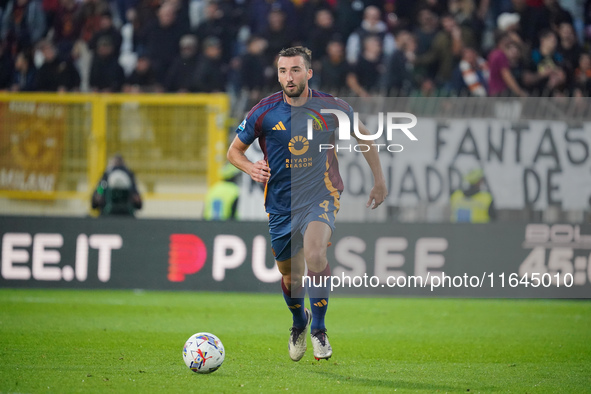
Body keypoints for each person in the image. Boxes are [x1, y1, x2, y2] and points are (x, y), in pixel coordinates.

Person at [227, 46, 387, 362]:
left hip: (321, 195)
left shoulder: (331, 107)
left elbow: (364, 135)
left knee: (315, 253)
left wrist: (379, 180)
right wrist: (250, 167)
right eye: (283, 71)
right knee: (291, 277)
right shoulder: (263, 111)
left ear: (309, 73)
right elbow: (234, 151)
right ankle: (299, 322)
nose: (289, 77)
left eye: (296, 70)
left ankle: (319, 330)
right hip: (281, 204)